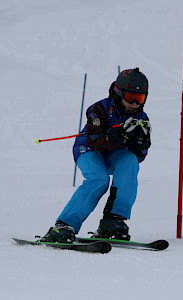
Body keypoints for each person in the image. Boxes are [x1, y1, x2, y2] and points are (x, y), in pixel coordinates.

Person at [40, 67, 151, 243]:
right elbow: (94, 140)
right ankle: (64, 225)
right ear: (119, 92)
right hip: (89, 150)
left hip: (115, 153)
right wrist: (116, 136)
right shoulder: (100, 109)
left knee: (130, 163)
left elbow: (138, 157)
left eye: (140, 99)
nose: (135, 104)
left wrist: (141, 145)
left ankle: (113, 221)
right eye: (131, 98)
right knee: (99, 180)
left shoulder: (141, 117)